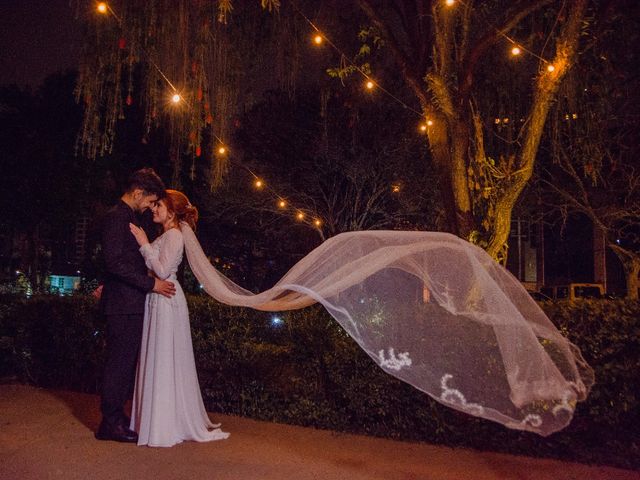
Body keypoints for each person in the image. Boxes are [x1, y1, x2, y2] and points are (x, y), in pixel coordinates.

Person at [129, 190, 229, 447]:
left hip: (166, 299)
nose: (153, 209)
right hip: (158, 298)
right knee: (158, 356)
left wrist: (143, 244)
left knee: (164, 357)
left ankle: (164, 425)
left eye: (158, 205)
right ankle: (155, 421)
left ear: (172, 212)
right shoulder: (166, 235)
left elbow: (161, 270)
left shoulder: (174, 236)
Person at [96, 168, 176, 443]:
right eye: (150, 201)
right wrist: (150, 284)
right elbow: (115, 263)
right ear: (138, 192)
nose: (150, 207)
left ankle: (116, 419)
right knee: (119, 364)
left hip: (128, 301)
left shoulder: (128, 217)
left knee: (125, 363)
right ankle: (110, 423)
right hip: (123, 304)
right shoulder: (116, 217)